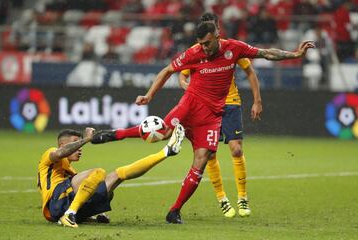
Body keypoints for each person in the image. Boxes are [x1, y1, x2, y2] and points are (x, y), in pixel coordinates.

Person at [93, 22, 314, 224]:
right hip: (190, 105)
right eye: (201, 43)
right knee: (162, 132)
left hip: (211, 117)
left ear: (217, 36)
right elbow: (168, 70)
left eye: (207, 43)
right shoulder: (194, 53)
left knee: (201, 160)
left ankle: (174, 211)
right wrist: (150, 95)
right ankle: (115, 134)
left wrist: (295, 54)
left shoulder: (234, 48)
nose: (205, 48)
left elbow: (266, 53)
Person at [178, 12, 262, 218]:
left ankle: (242, 197)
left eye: (216, 27)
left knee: (235, 149)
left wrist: (257, 100)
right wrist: (189, 89)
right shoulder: (196, 51)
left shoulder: (231, 48)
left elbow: (250, 71)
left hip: (230, 103)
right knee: (210, 154)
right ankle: (222, 198)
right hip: (206, 107)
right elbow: (182, 75)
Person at [37, 125, 185, 228]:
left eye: (80, 144)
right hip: (54, 203)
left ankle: (166, 152)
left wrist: (91, 216)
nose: (80, 148)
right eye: (75, 143)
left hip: (60, 207)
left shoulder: (70, 170)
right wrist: (86, 139)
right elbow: (59, 153)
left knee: (116, 176)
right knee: (99, 172)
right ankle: (70, 215)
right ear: (62, 145)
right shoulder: (50, 154)